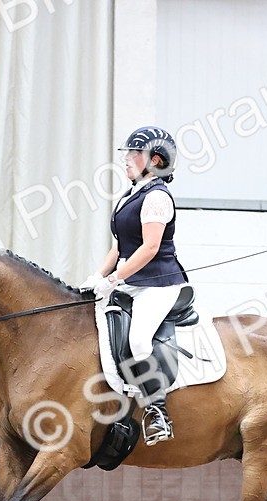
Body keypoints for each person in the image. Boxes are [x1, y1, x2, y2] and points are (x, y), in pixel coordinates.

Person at [80, 126, 190, 446]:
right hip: (130, 280)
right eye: (127, 153)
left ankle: (157, 413)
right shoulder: (132, 195)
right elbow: (120, 247)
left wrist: (114, 279)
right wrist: (98, 277)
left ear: (155, 160)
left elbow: (149, 248)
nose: (126, 159)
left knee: (139, 341)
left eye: (134, 154)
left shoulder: (157, 198)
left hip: (158, 284)